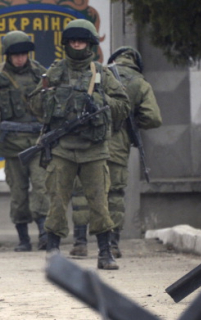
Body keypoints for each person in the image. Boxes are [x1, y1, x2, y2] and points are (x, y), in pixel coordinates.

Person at [28, 19, 130, 270]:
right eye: (73, 40)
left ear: (90, 43)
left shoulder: (101, 73)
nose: (77, 44)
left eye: (81, 40)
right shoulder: (56, 71)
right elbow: (35, 105)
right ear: (67, 43)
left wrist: (100, 102)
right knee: (57, 202)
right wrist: (48, 98)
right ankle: (53, 253)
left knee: (98, 202)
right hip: (62, 148)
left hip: (94, 151)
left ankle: (105, 253)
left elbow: (124, 106)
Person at [70, 46, 163, 258]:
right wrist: (131, 123)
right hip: (118, 146)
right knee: (114, 194)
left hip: (89, 142)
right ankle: (112, 244)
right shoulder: (140, 83)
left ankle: (80, 242)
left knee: (83, 191)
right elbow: (154, 118)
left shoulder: (98, 74)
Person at [0, 30, 49, 252]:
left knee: (42, 187)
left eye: (23, 54)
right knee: (18, 192)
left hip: (38, 141)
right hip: (13, 145)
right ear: (8, 55)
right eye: (15, 55)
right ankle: (23, 239)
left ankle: (45, 234)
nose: (20, 58)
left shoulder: (40, 74)